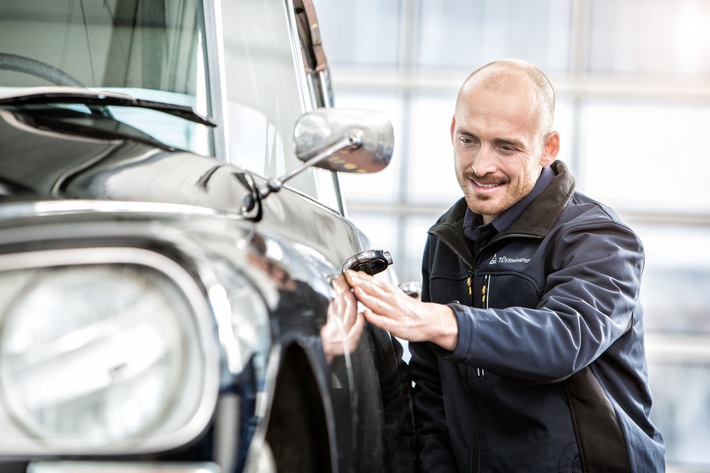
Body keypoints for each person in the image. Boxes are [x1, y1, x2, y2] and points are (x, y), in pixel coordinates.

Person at [344, 59, 665, 472]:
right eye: (469, 140)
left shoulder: (598, 238)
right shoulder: (445, 242)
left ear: (547, 148)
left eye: (506, 146)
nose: (481, 166)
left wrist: (444, 321)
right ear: (452, 131)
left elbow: (564, 340)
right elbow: (432, 392)